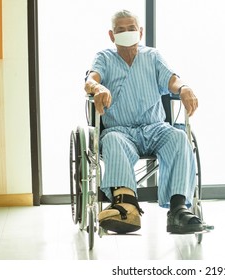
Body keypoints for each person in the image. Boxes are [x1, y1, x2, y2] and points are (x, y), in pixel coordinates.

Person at [84, 10, 203, 234]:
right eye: (121, 30)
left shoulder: (153, 56)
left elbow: (172, 79)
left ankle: (178, 209)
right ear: (112, 35)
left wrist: (185, 88)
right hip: (121, 131)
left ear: (140, 32)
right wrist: (97, 87)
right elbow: (91, 79)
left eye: (131, 28)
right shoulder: (105, 58)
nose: (127, 33)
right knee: (112, 141)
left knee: (178, 137)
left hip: (155, 128)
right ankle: (126, 205)